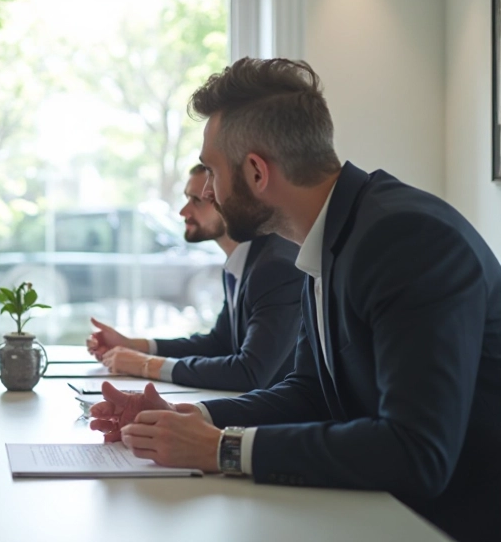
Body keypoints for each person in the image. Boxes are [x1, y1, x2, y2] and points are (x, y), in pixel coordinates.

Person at [89, 58, 501, 542]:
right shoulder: (330, 234)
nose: (207, 190)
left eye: (213, 172)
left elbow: (416, 452)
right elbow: (308, 393)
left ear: (258, 172)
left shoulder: (404, 239)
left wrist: (222, 449)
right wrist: (188, 419)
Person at [86, 164, 303, 391]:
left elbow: (249, 373)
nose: (183, 212)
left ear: (230, 202)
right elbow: (220, 343)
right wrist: (135, 346)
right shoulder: (244, 261)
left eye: (197, 200)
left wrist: (145, 364)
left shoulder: (275, 267)